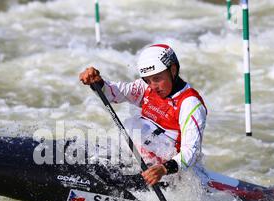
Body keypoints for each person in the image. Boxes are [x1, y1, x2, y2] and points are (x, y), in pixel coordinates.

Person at [79, 43, 208, 187]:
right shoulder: (146, 87)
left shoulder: (190, 104)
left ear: (173, 70)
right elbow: (115, 93)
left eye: (157, 79)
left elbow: (191, 151)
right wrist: (98, 83)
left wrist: (164, 169)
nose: (152, 86)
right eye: (147, 80)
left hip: (166, 174)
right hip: (136, 157)